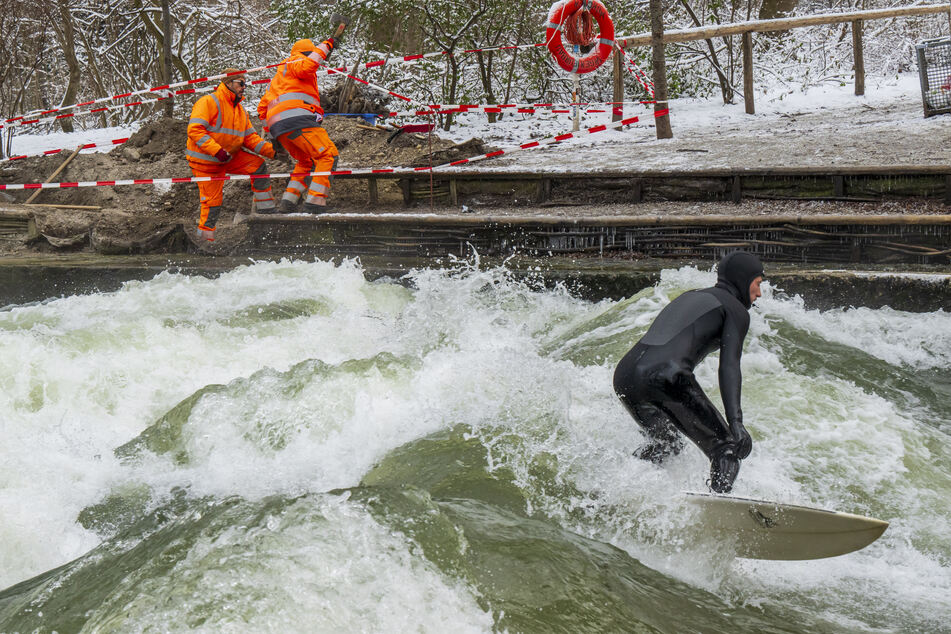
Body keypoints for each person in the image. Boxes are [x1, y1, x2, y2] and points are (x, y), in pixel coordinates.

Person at [613, 251, 765, 493]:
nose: (759, 293)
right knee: (726, 448)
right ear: (743, 280)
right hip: (664, 376)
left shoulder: (692, 295)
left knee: (667, 444)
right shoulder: (735, 310)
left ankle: (614, 488)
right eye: (757, 284)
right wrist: (736, 422)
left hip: (626, 375)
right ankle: (721, 507)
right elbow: (729, 366)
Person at [186, 69, 277, 242]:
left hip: (228, 157)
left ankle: (266, 211)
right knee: (212, 203)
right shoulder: (209, 102)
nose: (244, 87)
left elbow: (251, 139)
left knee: (258, 166)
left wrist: (273, 152)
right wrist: (217, 151)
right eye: (240, 83)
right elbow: (195, 130)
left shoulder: (241, 110)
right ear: (228, 83)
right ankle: (203, 242)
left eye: (245, 83)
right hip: (206, 162)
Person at [257, 36, 340, 213]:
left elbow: (262, 108)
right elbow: (309, 65)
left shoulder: (278, 79)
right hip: (298, 120)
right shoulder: (296, 61)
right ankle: (315, 203)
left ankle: (289, 201)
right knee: (328, 155)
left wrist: (272, 135)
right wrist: (327, 45)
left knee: (305, 161)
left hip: (280, 128)